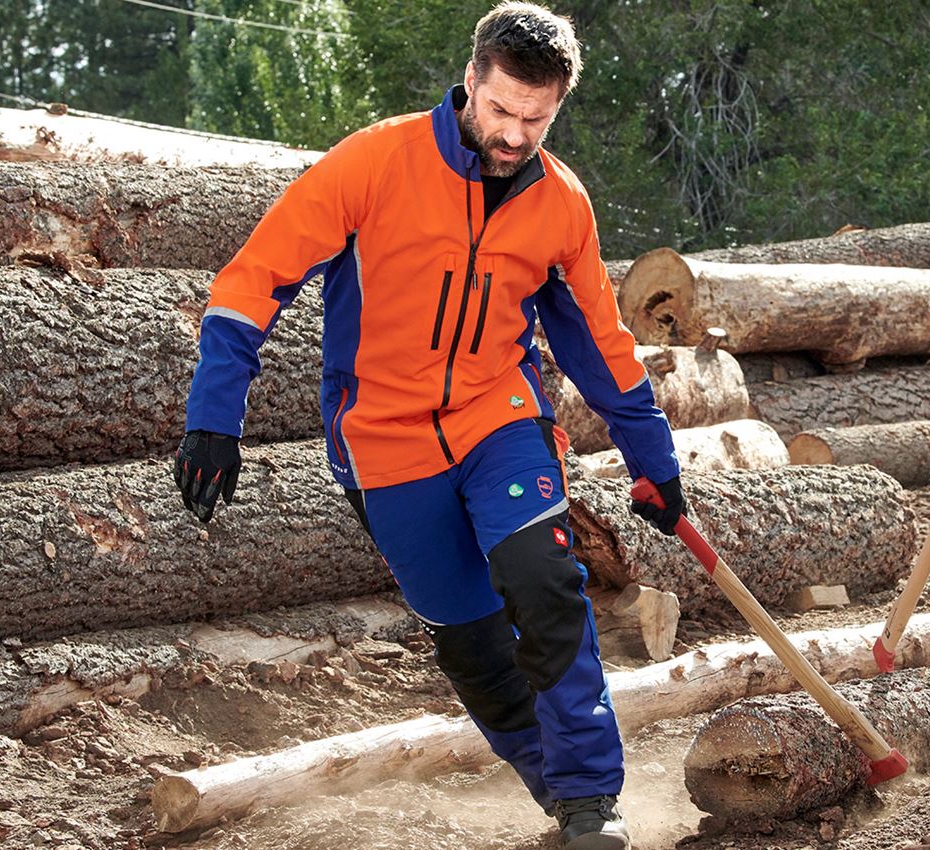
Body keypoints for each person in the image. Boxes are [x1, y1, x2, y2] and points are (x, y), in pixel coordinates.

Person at [174, 3, 686, 847]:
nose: (516, 134)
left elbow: (599, 342)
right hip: (381, 437)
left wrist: (652, 458)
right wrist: (213, 417)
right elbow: (253, 279)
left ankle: (595, 803)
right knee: (472, 642)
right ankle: (557, 799)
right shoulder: (375, 163)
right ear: (472, 80)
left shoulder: (562, 204)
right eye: (502, 111)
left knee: (542, 582)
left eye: (537, 118)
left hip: (500, 417)